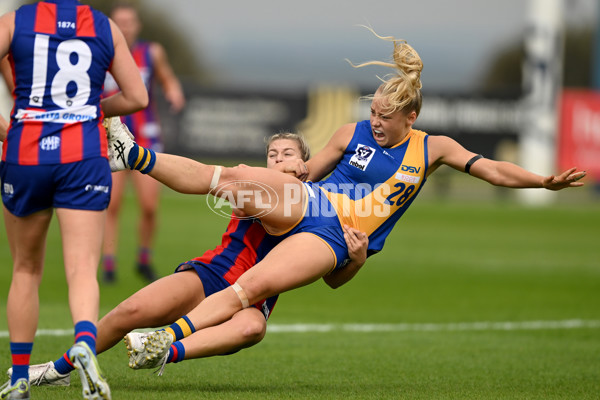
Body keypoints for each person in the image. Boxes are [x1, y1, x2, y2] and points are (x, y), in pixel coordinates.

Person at [103, 28, 587, 374]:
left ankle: (165, 343)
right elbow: (301, 178)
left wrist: (542, 181)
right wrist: (266, 186)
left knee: (248, 307)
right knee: (231, 179)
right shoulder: (348, 133)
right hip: (308, 206)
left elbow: (494, 170)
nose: (375, 122)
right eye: (372, 112)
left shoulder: (433, 148)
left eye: (385, 116)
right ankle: (135, 156)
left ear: (410, 116)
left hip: (334, 235)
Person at [7, 131, 369, 385]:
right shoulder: (258, 187)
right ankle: (57, 369)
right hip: (211, 276)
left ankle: (164, 347)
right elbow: (220, 186)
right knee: (127, 314)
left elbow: (332, 279)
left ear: (305, 162)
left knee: (253, 328)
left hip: (252, 297)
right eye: (272, 155)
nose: (278, 159)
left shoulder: (318, 207)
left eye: (287, 154)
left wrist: (355, 259)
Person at [0, 0, 148, 398]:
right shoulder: (104, 27)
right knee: (82, 268)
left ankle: (18, 378)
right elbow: (137, 98)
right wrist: (89, 110)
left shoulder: (14, 22)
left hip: (26, 153)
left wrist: (8, 127)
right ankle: (84, 341)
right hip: (82, 154)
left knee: (26, 270)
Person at [101, 3, 186, 283]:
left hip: (145, 136)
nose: (125, 26)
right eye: (119, 21)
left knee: (149, 205)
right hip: (109, 132)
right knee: (110, 204)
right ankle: (109, 263)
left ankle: (144, 257)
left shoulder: (152, 52)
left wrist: (174, 92)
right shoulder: (99, 48)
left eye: (129, 21)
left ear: (137, 25)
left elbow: (167, 79)